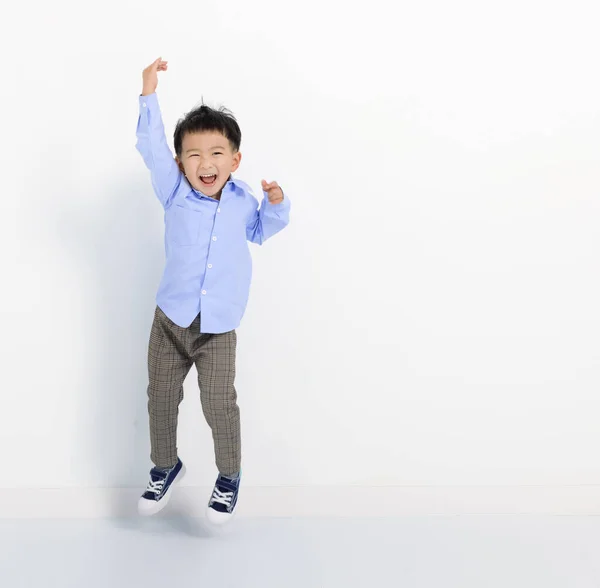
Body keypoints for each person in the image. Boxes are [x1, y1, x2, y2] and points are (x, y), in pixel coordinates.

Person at [134, 57, 291, 524]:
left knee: (219, 403)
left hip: (218, 327)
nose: (205, 163)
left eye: (217, 153)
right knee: (159, 396)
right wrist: (148, 92)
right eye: (194, 155)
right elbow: (150, 145)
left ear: (235, 160)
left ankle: (229, 476)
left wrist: (278, 204)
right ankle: (165, 465)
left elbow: (264, 230)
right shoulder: (174, 191)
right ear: (181, 162)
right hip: (170, 321)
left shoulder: (244, 201)